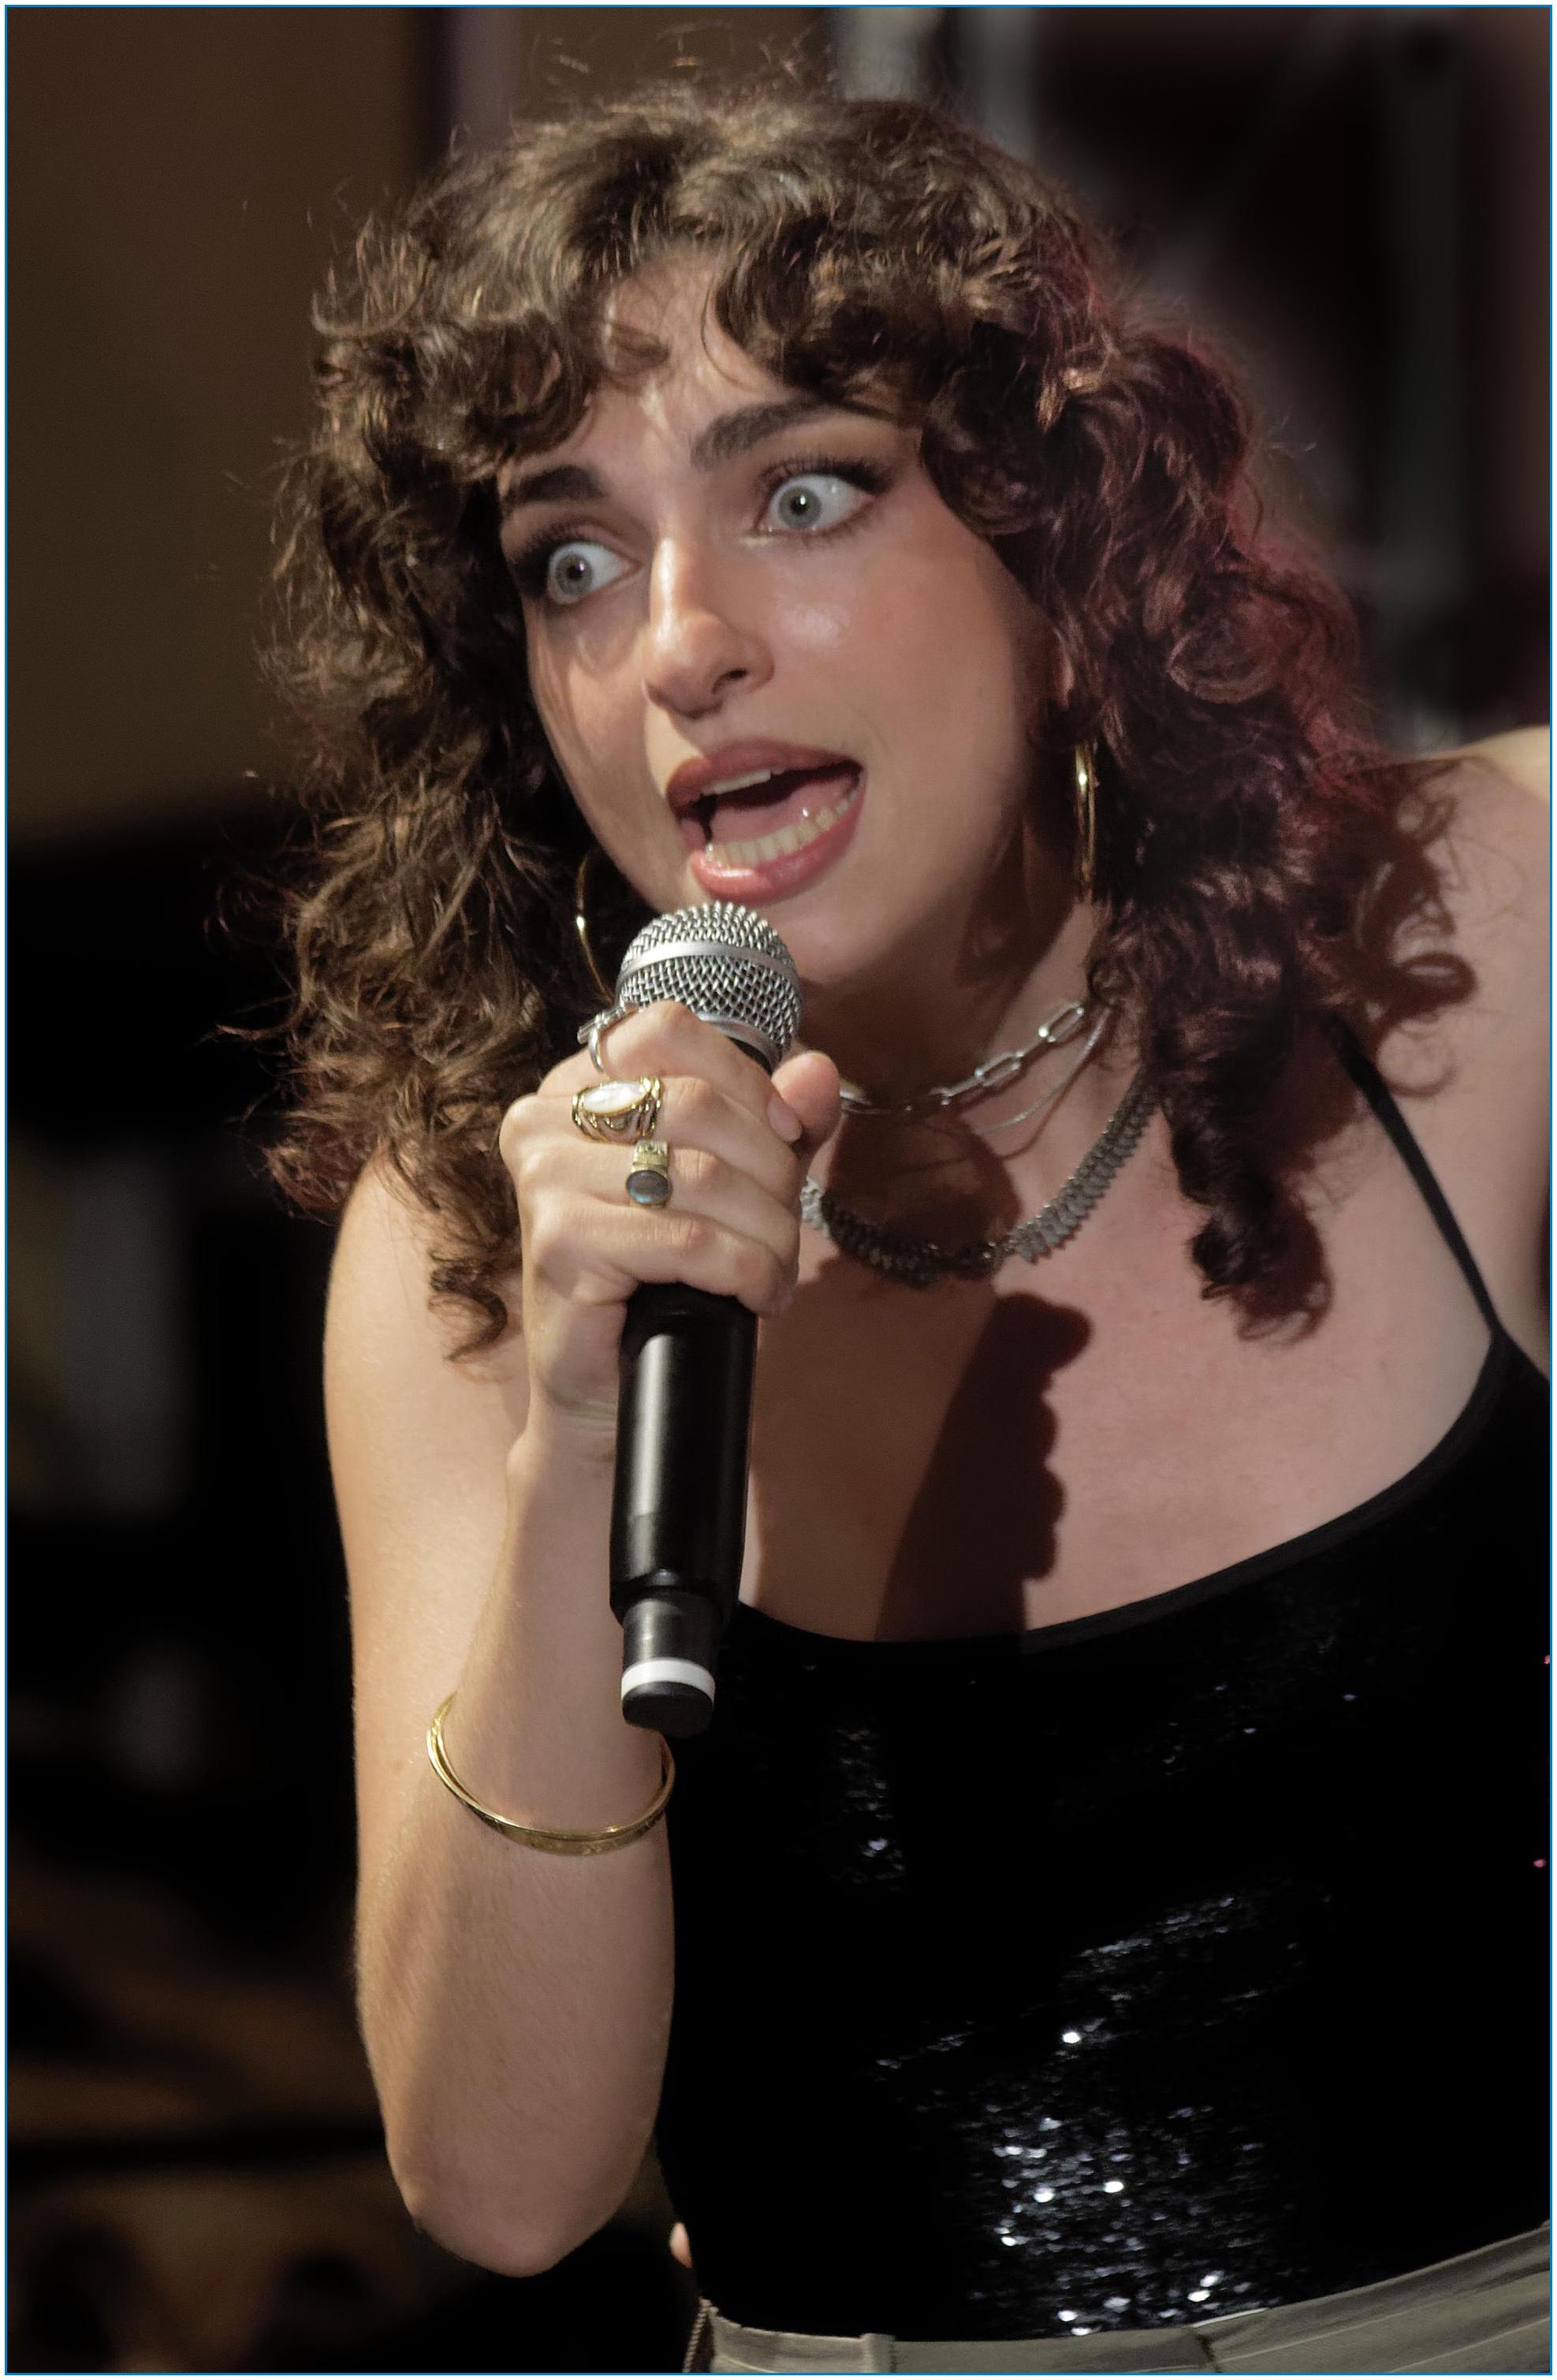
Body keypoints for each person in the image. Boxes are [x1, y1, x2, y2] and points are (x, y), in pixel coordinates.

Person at [269, 78, 1549, 2376]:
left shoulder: (1490, 942)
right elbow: (504, 2182)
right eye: (574, 560)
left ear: (1061, 557)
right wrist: (582, 1433)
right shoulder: (477, 1230)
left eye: (804, 492)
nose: (680, 643)